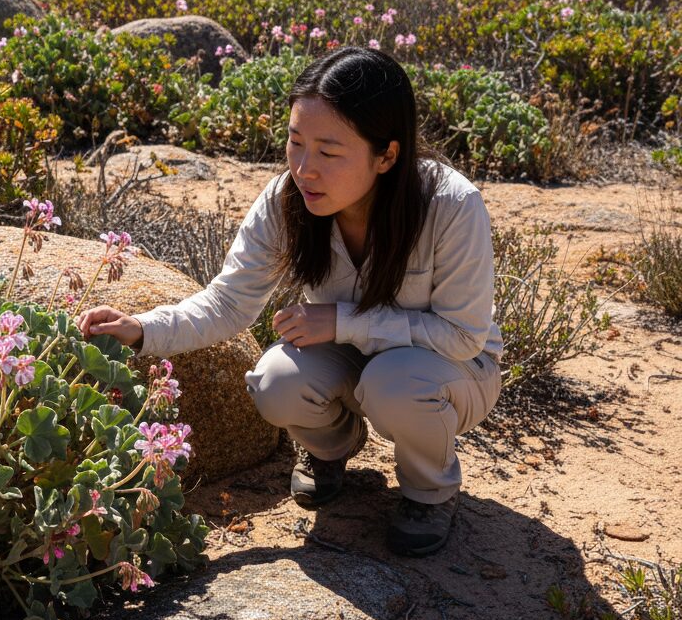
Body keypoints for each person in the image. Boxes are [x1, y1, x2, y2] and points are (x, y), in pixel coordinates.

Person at [76, 46, 503, 557]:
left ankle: (429, 492)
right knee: (275, 382)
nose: (304, 169)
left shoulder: (451, 205)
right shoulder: (287, 201)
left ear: (387, 155)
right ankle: (333, 449)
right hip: (354, 356)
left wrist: (343, 322)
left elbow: (462, 336)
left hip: (452, 367)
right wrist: (142, 329)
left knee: (395, 383)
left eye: (329, 151)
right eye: (295, 143)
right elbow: (227, 303)